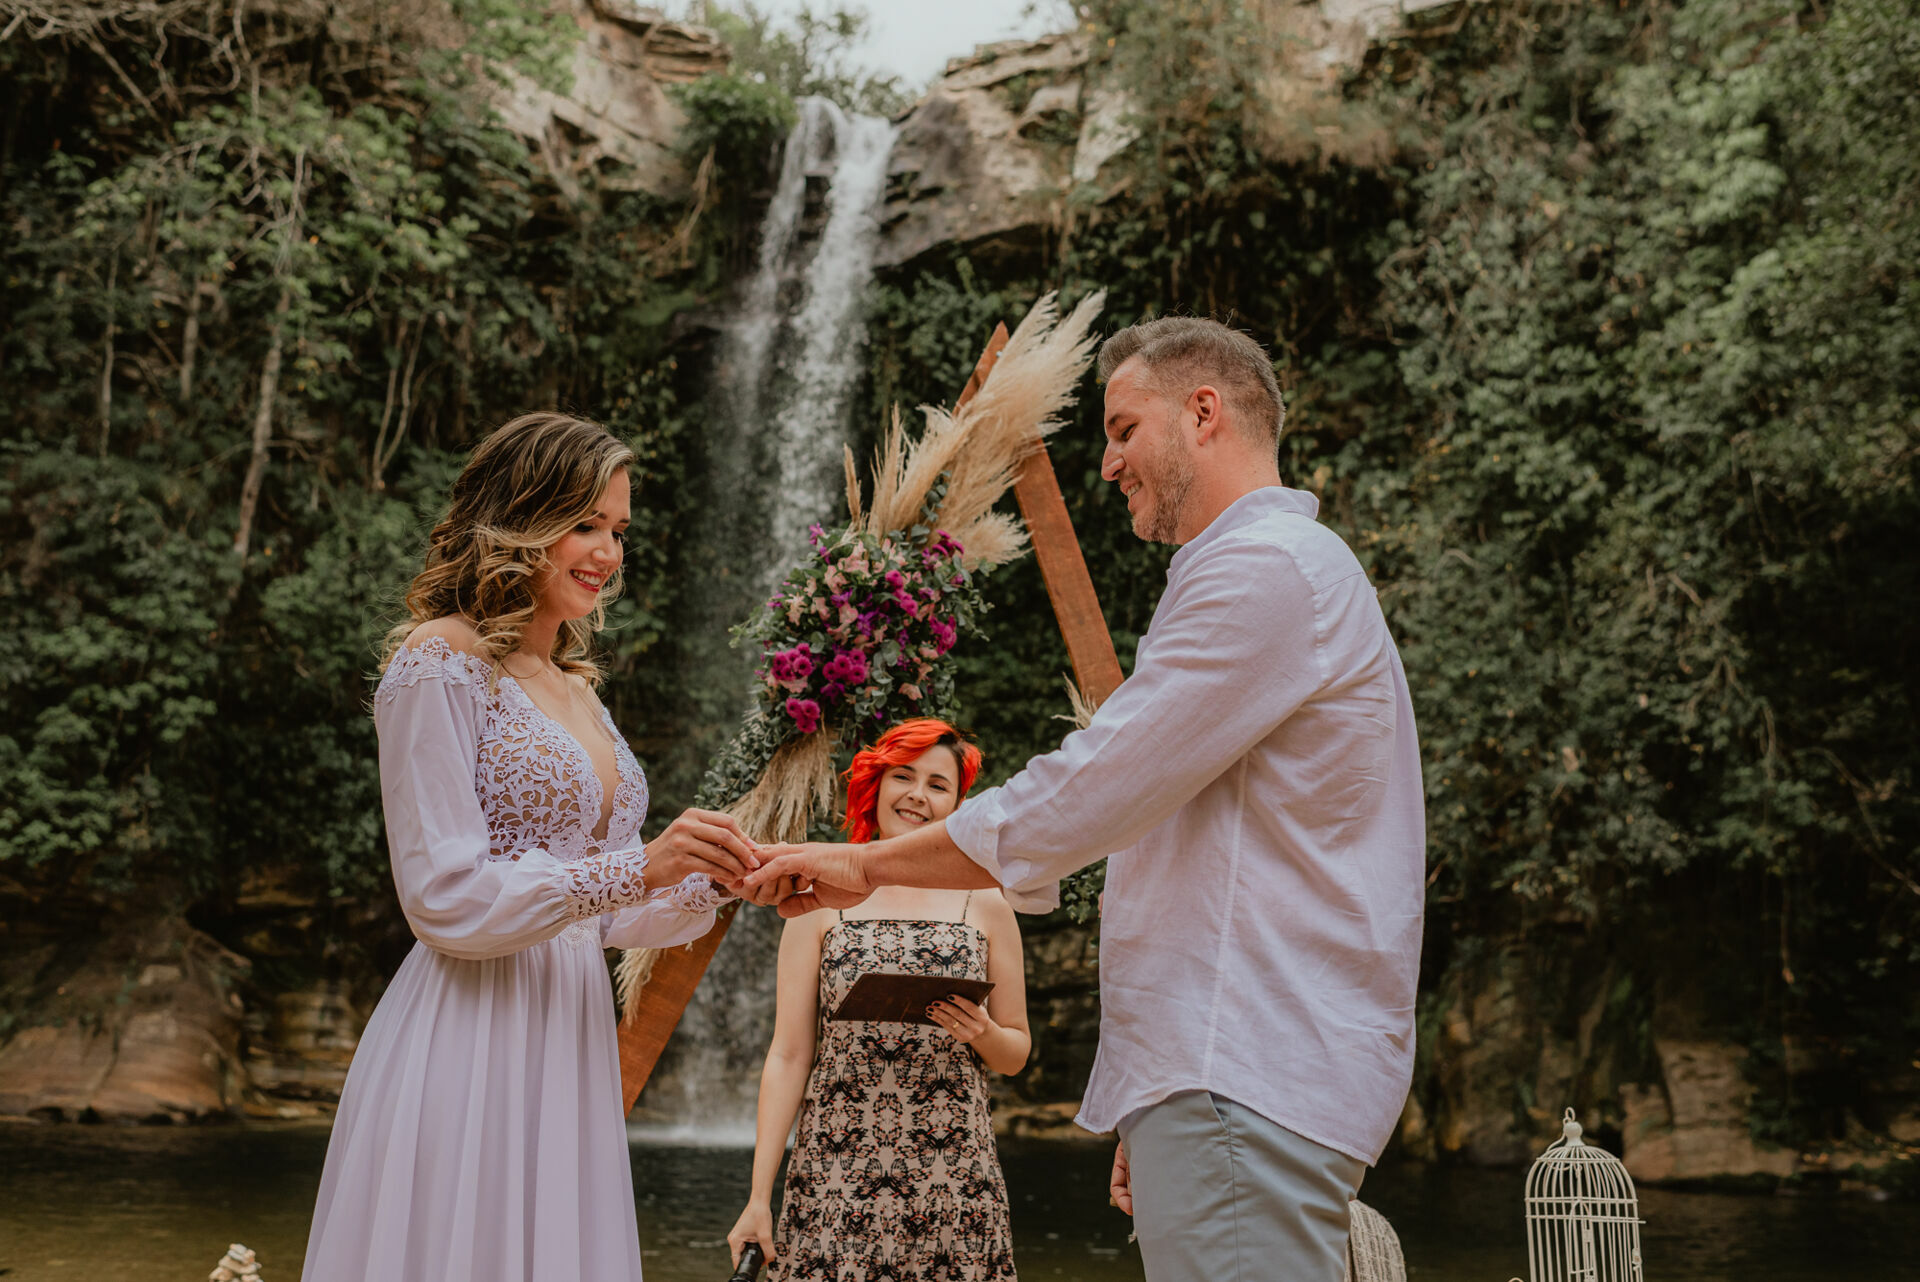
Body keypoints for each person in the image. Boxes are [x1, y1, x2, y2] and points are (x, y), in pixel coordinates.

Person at [744, 318, 1427, 1281]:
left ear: (1204, 412)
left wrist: (859, 864)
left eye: (1120, 427)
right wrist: (1153, 1101)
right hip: (1224, 1074)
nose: (1106, 463)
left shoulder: (1267, 570)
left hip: (1244, 1069)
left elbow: (1089, 793)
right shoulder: (1269, 573)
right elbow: (1194, 854)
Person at [303, 412, 773, 1282]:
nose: (607, 551)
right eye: (583, 524)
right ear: (520, 520)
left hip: (567, 1034)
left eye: (619, 530)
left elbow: (602, 914)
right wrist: (643, 863)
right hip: (469, 1031)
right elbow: (442, 897)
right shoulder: (438, 663)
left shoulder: (578, 690)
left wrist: (721, 878)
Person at [727, 718, 1028, 1282]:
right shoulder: (820, 898)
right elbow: (789, 1056)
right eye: (903, 776)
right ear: (877, 785)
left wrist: (982, 1032)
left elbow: (1015, 1053)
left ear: (959, 807)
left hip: (954, 1175)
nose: (917, 795)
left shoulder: (987, 903)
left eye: (938, 785)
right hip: (834, 1173)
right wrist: (757, 1197)